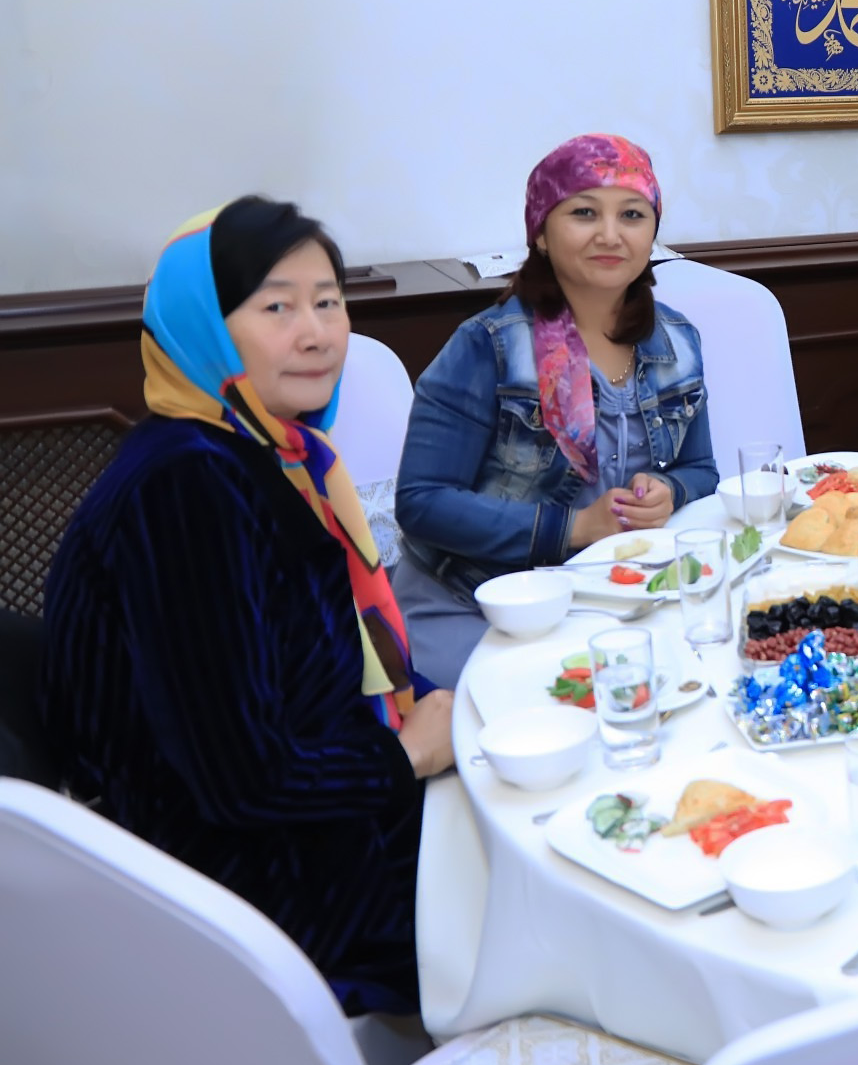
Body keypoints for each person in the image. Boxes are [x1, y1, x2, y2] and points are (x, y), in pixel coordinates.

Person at [40, 198, 449, 1016]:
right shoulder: (184, 486)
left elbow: (327, 660)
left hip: (316, 814)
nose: (317, 333)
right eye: (277, 307)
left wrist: (439, 713)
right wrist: (405, 758)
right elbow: (240, 781)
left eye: (328, 301)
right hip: (249, 893)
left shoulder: (275, 454)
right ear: (203, 327)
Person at [394, 135, 715, 686]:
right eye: (584, 213)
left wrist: (669, 492)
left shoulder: (677, 340)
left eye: (632, 214)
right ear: (541, 233)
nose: (610, 234)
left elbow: (701, 469)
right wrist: (575, 527)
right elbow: (422, 503)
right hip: (478, 602)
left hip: (610, 598)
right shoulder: (488, 345)